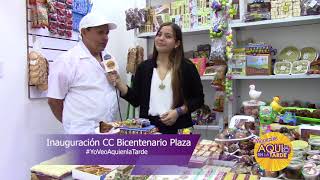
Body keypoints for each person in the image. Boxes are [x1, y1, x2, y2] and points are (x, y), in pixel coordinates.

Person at [108, 22, 204, 134]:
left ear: (177, 43)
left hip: (179, 128)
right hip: (149, 129)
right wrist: (119, 83)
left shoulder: (187, 67)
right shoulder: (144, 68)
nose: (161, 38)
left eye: (168, 36)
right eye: (159, 35)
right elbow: (136, 100)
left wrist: (178, 111)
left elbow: (198, 99)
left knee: (178, 152)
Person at [47, 13, 118, 134]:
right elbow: (54, 101)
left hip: (108, 130)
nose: (105, 37)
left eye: (107, 33)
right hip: (82, 134)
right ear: (84, 32)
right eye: (100, 32)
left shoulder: (109, 58)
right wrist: (73, 124)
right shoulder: (66, 61)